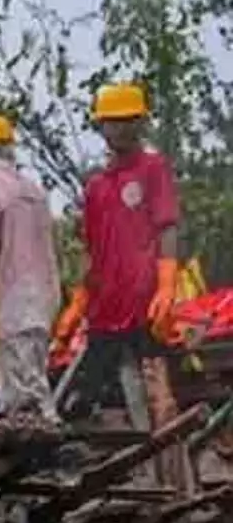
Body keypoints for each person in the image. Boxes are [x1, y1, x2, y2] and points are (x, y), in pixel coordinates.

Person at [55, 83, 181, 414]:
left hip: (145, 305)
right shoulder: (97, 187)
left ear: (140, 123)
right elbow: (92, 254)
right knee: (88, 405)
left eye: (128, 120)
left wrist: (167, 283)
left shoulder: (152, 168)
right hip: (104, 312)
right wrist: (77, 306)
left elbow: (167, 225)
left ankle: (168, 458)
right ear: (101, 126)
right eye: (113, 121)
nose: (121, 128)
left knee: (158, 398)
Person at [0, 113, 60, 417]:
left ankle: (48, 441)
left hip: (12, 302)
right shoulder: (34, 191)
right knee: (34, 373)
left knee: (24, 392)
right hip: (44, 298)